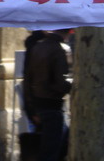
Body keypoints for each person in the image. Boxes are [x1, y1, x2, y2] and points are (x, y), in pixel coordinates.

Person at [22, 29, 73, 161]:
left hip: (38, 104)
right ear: (70, 32)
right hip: (52, 104)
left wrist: (30, 108)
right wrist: (73, 86)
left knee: (52, 147)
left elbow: (27, 79)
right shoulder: (60, 49)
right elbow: (60, 83)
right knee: (52, 151)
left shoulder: (38, 47)